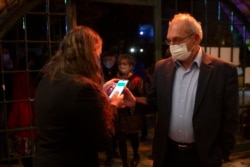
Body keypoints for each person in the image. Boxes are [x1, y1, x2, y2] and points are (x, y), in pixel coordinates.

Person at [136, 13, 239, 167]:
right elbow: (153, 102)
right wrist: (133, 102)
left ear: (196, 38)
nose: (172, 45)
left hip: (203, 157)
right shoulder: (162, 67)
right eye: (169, 40)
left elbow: (230, 117)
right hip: (167, 155)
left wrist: (222, 152)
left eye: (177, 40)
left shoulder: (223, 71)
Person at [34, 26, 135, 167]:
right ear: (90, 54)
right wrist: (112, 104)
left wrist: (100, 93)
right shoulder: (84, 88)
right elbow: (103, 140)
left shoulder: (48, 79)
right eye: (97, 54)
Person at [115, 54, 146, 167]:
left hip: (133, 113)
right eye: (120, 64)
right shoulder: (115, 79)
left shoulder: (137, 79)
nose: (122, 66)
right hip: (120, 114)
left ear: (131, 66)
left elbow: (143, 97)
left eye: (125, 64)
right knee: (121, 138)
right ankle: (124, 162)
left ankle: (135, 155)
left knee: (134, 137)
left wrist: (131, 98)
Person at [100, 50, 120, 166]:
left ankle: (114, 149)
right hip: (104, 105)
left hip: (117, 105)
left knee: (116, 130)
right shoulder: (100, 72)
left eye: (110, 59)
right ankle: (109, 153)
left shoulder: (118, 72)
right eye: (105, 60)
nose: (108, 62)